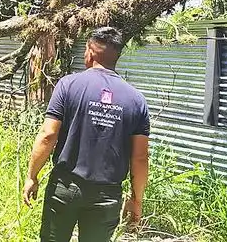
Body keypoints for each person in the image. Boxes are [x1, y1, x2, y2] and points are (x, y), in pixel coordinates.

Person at [22, 27, 150, 242]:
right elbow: (140, 157)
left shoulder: (68, 85)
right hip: (107, 196)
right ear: (116, 57)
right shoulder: (136, 100)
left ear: (90, 52)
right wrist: (137, 199)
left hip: (64, 188)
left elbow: (47, 135)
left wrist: (31, 176)